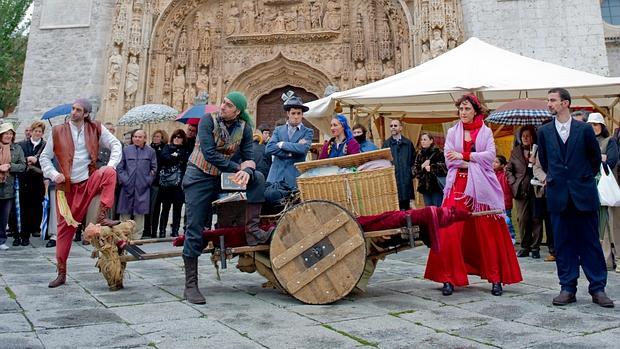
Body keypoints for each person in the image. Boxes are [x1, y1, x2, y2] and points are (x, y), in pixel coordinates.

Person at [424, 93, 522, 296]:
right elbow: (450, 159)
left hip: (481, 186)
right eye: (461, 109)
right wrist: (469, 160)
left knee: (488, 230)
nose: (463, 112)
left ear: (476, 111)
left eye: (467, 109)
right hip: (458, 184)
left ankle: (496, 278)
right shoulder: (452, 132)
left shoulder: (485, 132)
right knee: (449, 229)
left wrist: (465, 156)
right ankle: (448, 278)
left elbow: (490, 157)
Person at [182, 91, 272, 304]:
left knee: (257, 178)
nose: (222, 106)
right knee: (195, 225)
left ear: (238, 111)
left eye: (228, 105)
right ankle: (191, 285)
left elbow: (249, 158)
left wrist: (247, 172)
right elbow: (209, 153)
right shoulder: (207, 120)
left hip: (224, 175)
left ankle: (253, 230)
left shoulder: (245, 128)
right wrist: (237, 168)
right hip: (199, 174)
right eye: (223, 102)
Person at [537, 88, 613, 307]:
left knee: (590, 243)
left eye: (553, 100)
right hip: (558, 195)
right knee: (563, 244)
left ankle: (598, 288)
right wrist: (558, 179)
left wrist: (581, 177)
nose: (549, 103)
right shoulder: (544, 132)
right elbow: (545, 159)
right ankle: (567, 287)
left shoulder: (584, 130)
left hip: (583, 193)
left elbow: (593, 158)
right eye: (548, 100)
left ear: (565, 103)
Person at [39, 98, 122, 287]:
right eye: (73, 109)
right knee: (64, 231)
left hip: (88, 183)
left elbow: (116, 145)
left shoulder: (96, 128)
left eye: (78, 110)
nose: (74, 112)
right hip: (66, 187)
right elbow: (44, 157)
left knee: (109, 172)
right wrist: (53, 174)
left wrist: (110, 165)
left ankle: (102, 215)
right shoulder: (58, 130)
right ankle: (61, 272)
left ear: (86, 114)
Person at [587, 113, 619, 270]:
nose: (593, 127)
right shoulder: (586, 142)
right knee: (601, 227)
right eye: (590, 125)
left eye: (596, 124)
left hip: (608, 186)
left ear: (602, 126)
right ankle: (605, 260)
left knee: (615, 224)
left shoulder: (610, 140)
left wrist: (597, 157)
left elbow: (612, 160)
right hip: (593, 187)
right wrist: (601, 157)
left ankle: (619, 259)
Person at [507, 126, 543, 259]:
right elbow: (509, 169)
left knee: (536, 218)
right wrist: (513, 181)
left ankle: (535, 247)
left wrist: (534, 161)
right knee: (522, 219)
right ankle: (524, 246)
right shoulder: (515, 151)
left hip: (536, 188)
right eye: (523, 136)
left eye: (528, 135)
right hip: (521, 189)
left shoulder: (539, 149)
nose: (525, 138)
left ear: (533, 136)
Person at [265, 93, 313, 189]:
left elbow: (303, 149)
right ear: (288, 114)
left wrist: (282, 144)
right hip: (275, 177)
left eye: (299, 113)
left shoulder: (308, 132)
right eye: (293, 113)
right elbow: (269, 149)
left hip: (293, 178)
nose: (296, 116)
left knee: (294, 203)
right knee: (271, 203)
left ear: (302, 115)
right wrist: (291, 152)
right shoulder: (278, 130)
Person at [116, 129, 157, 240]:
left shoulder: (150, 151)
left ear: (145, 138)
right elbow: (120, 167)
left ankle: (136, 237)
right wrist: (125, 180)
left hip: (142, 187)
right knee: (125, 212)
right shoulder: (126, 150)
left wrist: (147, 181)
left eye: (140, 137)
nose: (137, 139)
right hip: (127, 185)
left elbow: (154, 169)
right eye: (135, 136)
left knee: (140, 212)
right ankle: (124, 236)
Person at [16, 121, 47, 246]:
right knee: (24, 207)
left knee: (36, 206)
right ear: (32, 131)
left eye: (40, 131)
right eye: (36, 131)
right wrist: (27, 159)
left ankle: (35, 228)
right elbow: (18, 158)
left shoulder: (45, 146)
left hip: (38, 180)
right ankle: (24, 234)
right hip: (24, 180)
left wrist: (37, 159)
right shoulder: (22, 144)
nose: (37, 133)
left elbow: (47, 160)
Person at [0, 123, 26, 251]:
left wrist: (10, 166)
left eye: (11, 134)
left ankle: (1, 240)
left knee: (4, 216)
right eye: (6, 133)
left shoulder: (17, 148)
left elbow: (23, 165)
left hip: (9, 187)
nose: (8, 136)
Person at [158, 129, 188, 238]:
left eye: (179, 137)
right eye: (175, 136)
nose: (177, 139)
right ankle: (162, 230)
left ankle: (175, 229)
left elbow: (185, 160)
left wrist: (175, 156)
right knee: (165, 208)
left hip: (179, 184)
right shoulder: (167, 147)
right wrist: (175, 156)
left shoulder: (185, 150)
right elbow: (164, 157)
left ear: (183, 139)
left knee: (177, 208)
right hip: (167, 184)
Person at [383, 119, 415, 210]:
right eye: (391, 126)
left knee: (407, 208)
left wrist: (411, 173)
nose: (393, 127)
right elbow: (383, 162)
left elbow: (413, 160)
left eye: (395, 126)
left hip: (406, 180)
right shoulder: (386, 144)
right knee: (395, 209)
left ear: (400, 128)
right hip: (393, 180)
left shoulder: (408, 143)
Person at [144, 129, 168, 238]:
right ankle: (146, 229)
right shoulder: (148, 148)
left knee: (156, 207)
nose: (155, 138)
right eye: (154, 136)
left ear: (163, 138)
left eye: (158, 136)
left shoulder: (164, 149)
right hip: (148, 181)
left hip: (158, 182)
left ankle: (154, 230)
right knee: (147, 207)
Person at [412, 132, 446, 207]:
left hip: (436, 186)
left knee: (438, 209)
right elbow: (415, 171)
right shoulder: (419, 154)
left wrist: (432, 167)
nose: (422, 141)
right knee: (429, 210)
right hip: (425, 187)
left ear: (431, 141)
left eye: (425, 139)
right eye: (421, 140)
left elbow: (445, 167)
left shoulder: (439, 152)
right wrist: (422, 166)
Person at [494, 155, 516, 244]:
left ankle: (512, 238)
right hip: (495, 203)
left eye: (496, 162)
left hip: (505, 203)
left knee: (508, 222)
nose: (494, 164)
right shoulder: (493, 175)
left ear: (503, 165)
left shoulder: (505, 176)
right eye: (493, 161)